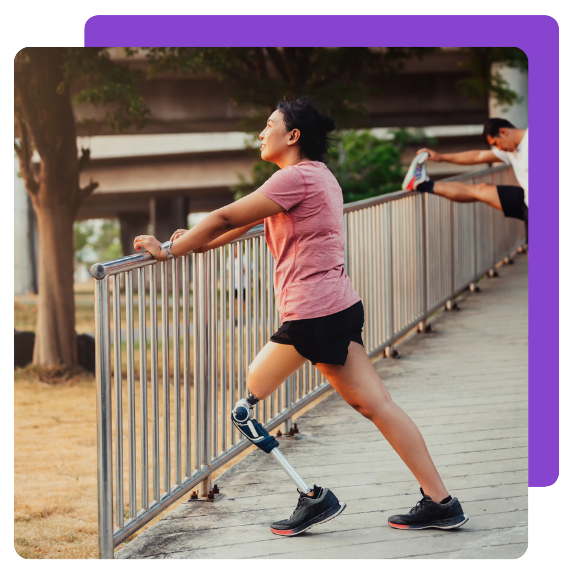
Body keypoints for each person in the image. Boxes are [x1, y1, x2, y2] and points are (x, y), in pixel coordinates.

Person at [134, 97, 468, 535]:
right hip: (337, 307)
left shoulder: (296, 178)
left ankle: (313, 498)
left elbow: (222, 215)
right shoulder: (315, 177)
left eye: (268, 125)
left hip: (312, 314)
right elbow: (240, 224)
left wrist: (170, 250)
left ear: (292, 136)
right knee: (377, 405)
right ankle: (441, 502)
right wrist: (198, 242)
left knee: (244, 408)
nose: (261, 132)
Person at [402, 118, 528, 244]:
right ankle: (422, 184)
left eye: (496, 143)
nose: (499, 149)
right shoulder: (511, 150)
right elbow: (477, 156)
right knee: (481, 190)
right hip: (527, 201)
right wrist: (440, 157)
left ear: (503, 132)